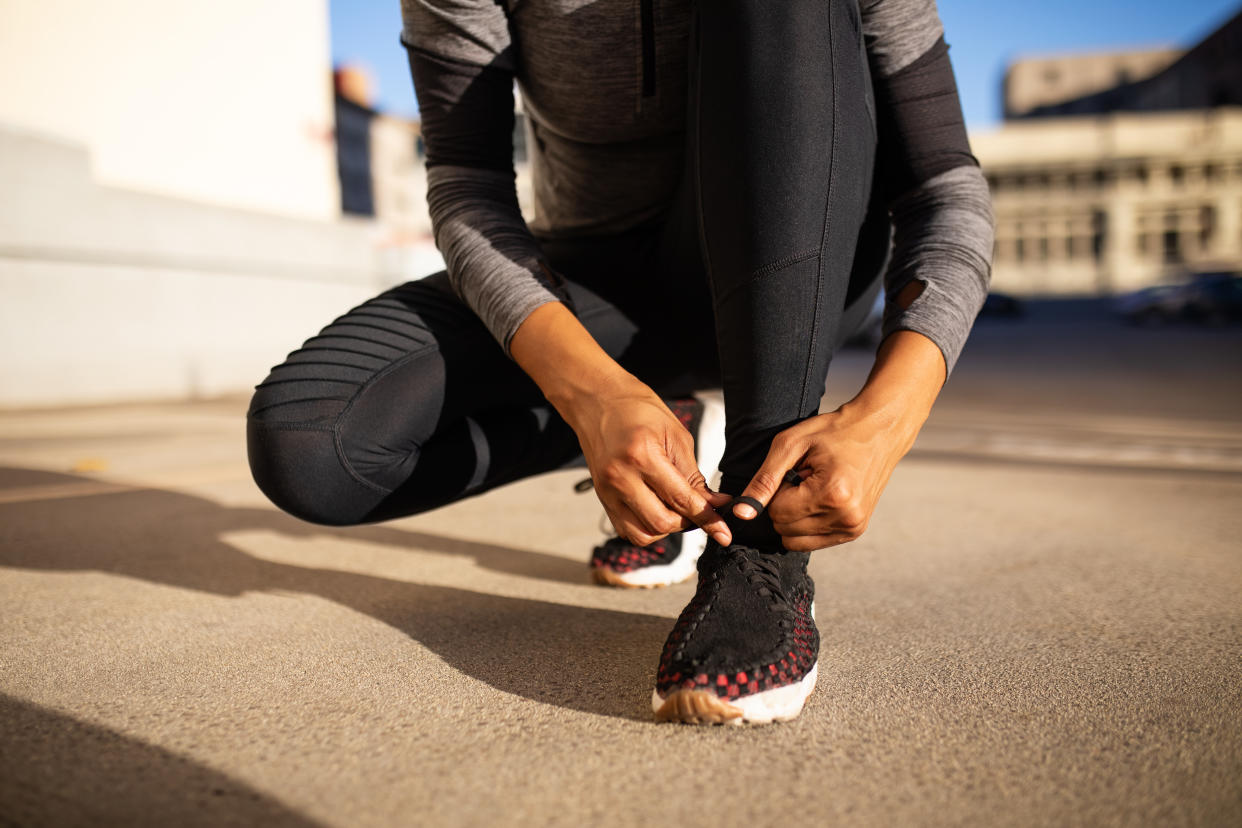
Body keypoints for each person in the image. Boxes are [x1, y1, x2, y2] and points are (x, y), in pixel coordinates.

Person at [246, 0, 993, 725]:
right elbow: (466, 187)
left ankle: (755, 556)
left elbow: (943, 189)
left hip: (802, 262)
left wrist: (889, 416)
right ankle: (664, 424)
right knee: (312, 445)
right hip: (596, 282)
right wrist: (592, 393)